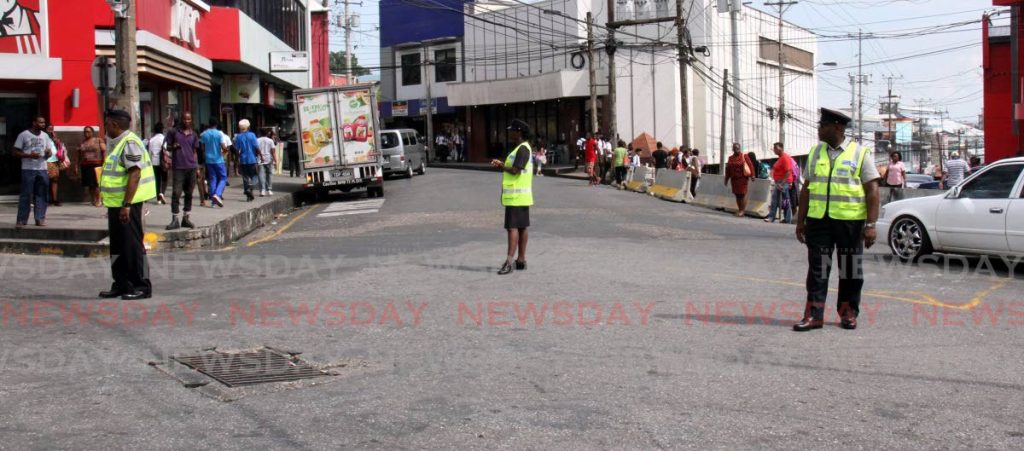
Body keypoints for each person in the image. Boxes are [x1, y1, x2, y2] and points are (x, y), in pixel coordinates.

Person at [793, 108, 881, 332]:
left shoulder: (860, 153)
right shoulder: (815, 152)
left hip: (850, 223)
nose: (819, 129)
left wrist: (870, 225)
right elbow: (807, 189)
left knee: (850, 270)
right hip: (819, 221)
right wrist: (800, 220)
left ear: (838, 128)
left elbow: (872, 190)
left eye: (823, 126)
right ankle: (814, 315)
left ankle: (848, 312)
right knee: (817, 270)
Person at [97, 109, 156, 301]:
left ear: (115, 124)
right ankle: (121, 284)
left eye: (107, 124)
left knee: (133, 246)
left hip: (128, 204)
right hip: (115, 205)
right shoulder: (118, 143)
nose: (105, 128)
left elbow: (135, 174)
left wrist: (126, 205)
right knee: (118, 246)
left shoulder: (130, 143)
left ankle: (142, 286)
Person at [490, 119, 534, 275]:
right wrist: (502, 165)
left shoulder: (522, 149)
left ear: (519, 132)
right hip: (521, 196)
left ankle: (509, 262)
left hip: (516, 197)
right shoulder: (522, 148)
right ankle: (521, 260)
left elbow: (515, 170)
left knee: (512, 228)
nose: (511, 133)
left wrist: (501, 165)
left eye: (513, 130)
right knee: (522, 227)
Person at [14, 116, 53, 227]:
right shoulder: (24, 135)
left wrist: (48, 152)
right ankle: (21, 220)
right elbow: (15, 152)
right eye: (40, 122)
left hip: (42, 169)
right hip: (28, 169)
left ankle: (40, 218)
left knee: (41, 194)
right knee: (26, 194)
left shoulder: (45, 136)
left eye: (44, 123)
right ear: (34, 123)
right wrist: (29, 155)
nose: (43, 124)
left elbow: (49, 153)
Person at [165, 112, 199, 230]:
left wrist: (197, 167)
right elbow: (166, 147)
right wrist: (173, 146)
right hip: (178, 167)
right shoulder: (173, 132)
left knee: (189, 193)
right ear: (181, 120)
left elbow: (195, 151)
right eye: (185, 119)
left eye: (189, 120)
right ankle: (175, 219)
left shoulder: (194, 134)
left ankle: (186, 218)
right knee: (176, 193)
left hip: (191, 167)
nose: (187, 122)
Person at [200, 120, 228, 207]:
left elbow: (202, 146)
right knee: (223, 177)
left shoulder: (204, 134)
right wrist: (226, 151)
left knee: (212, 179)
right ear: (216, 124)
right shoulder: (219, 134)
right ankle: (217, 193)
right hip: (218, 159)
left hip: (208, 160)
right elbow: (223, 146)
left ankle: (213, 202)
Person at [766, 142, 794, 224]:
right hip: (779, 182)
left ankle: (774, 217)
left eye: (776, 148)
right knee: (782, 200)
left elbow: (788, 171)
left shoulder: (785, 158)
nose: (774, 150)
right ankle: (785, 218)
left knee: (781, 200)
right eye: (774, 148)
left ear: (781, 148)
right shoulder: (780, 158)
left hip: (784, 182)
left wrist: (782, 183)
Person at [79, 126, 107, 207]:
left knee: (96, 184)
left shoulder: (98, 140)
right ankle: (93, 199)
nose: (86, 133)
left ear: (92, 132)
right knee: (90, 184)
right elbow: (79, 154)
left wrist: (104, 162)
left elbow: (104, 151)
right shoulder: (82, 142)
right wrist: (76, 165)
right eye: (85, 132)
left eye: (88, 131)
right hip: (86, 165)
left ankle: (98, 199)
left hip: (96, 165)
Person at [234, 119, 260, 201]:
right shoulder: (252, 135)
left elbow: (237, 150)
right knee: (254, 176)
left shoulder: (238, 136)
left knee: (245, 177)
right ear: (248, 126)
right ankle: (250, 188)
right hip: (252, 159)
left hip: (243, 160)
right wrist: (261, 156)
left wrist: (237, 159)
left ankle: (248, 194)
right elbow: (256, 146)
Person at [724, 142, 753, 217]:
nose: (737, 149)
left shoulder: (744, 156)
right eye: (735, 148)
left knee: (742, 194)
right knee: (737, 195)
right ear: (733, 149)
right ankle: (740, 209)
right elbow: (728, 169)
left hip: (743, 179)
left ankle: (742, 211)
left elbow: (750, 165)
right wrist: (726, 179)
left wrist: (753, 175)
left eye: (738, 148)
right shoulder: (730, 158)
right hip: (734, 179)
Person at [44, 125, 68, 207]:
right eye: (49, 129)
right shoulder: (43, 137)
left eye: (52, 129)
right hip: (46, 161)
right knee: (46, 180)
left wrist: (55, 139)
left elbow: (60, 146)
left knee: (54, 180)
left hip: (55, 160)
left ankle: (54, 199)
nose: (50, 130)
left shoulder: (54, 138)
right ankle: (45, 199)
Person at [147, 124, 167, 204]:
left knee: (157, 179)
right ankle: (162, 193)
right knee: (164, 178)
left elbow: (149, 152)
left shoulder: (152, 140)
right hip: (163, 161)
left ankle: (158, 199)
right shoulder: (164, 138)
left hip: (154, 162)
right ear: (162, 129)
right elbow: (166, 150)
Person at [257, 128, 277, 195]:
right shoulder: (270, 140)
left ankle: (262, 190)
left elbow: (256, 150)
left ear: (260, 133)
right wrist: (275, 160)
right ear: (267, 133)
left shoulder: (257, 140)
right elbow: (273, 151)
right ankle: (269, 189)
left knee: (261, 175)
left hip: (260, 159)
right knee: (269, 174)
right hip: (269, 159)